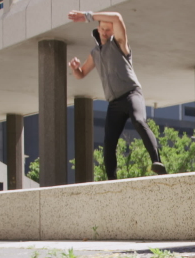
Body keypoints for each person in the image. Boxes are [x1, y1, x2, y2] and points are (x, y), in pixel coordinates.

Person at [68, 10, 167, 178]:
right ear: (98, 29)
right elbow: (81, 74)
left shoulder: (120, 44)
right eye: (103, 29)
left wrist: (87, 16)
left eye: (108, 29)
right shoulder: (95, 53)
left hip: (131, 94)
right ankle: (111, 179)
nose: (105, 32)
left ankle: (157, 163)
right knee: (109, 141)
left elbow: (117, 17)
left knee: (139, 121)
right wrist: (75, 68)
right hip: (114, 103)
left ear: (113, 31)